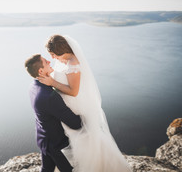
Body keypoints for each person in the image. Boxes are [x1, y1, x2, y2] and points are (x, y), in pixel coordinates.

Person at [38, 35, 132, 172]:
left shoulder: (73, 64)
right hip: (68, 105)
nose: (52, 58)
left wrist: (52, 83)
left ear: (59, 50)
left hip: (75, 106)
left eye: (52, 54)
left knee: (83, 140)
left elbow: (73, 91)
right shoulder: (64, 60)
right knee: (74, 139)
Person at [25, 54, 82, 172]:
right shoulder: (49, 97)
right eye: (46, 62)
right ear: (41, 71)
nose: (50, 62)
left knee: (46, 169)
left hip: (42, 139)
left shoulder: (33, 86)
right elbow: (75, 123)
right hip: (57, 146)